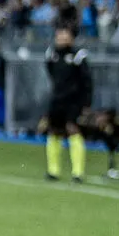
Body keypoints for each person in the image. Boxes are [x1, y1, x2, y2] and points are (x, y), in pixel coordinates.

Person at [43, 26, 91, 183]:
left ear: (71, 37)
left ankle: (78, 172)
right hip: (57, 99)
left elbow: (87, 81)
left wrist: (86, 103)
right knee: (54, 131)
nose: (61, 37)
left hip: (74, 101)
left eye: (64, 34)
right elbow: (51, 72)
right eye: (59, 34)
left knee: (73, 130)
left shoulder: (78, 56)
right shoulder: (52, 54)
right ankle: (53, 171)